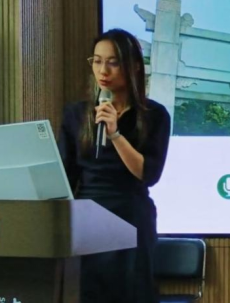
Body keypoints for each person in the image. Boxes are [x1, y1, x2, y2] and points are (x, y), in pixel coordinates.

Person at [58, 28, 171, 303]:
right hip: (88, 217)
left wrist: (115, 134)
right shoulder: (76, 114)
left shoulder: (154, 115)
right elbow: (65, 177)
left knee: (132, 293)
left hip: (131, 214)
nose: (103, 70)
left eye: (113, 62)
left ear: (134, 66)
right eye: (97, 61)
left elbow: (148, 174)